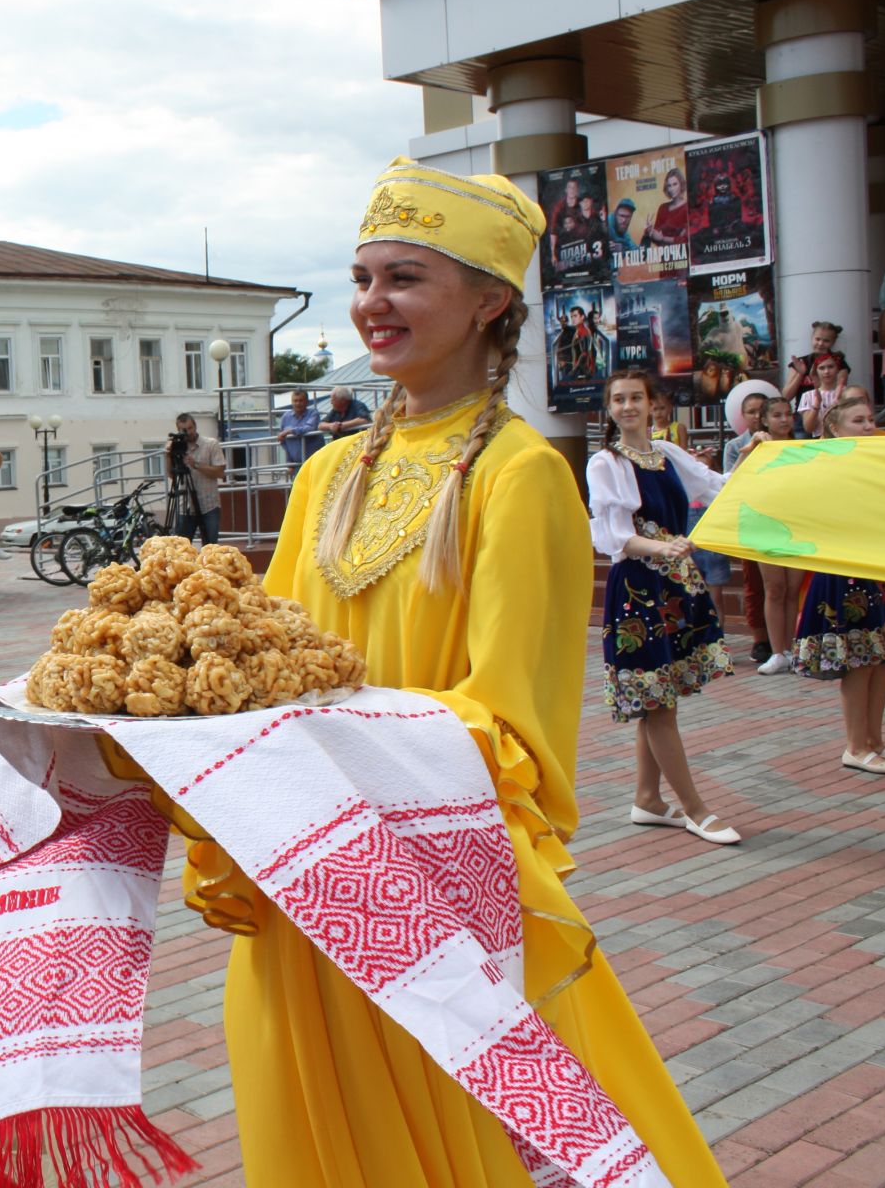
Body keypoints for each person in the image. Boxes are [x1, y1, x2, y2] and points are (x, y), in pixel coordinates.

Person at [226, 160, 726, 1185]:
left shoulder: (520, 473)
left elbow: (510, 719)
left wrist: (323, 754)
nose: (372, 302)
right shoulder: (327, 469)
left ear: (491, 300)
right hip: (303, 867)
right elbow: (254, 656)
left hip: (425, 888)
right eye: (362, 277)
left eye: (404, 278)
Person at [590, 368, 739, 844]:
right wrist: (661, 549)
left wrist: (765, 466)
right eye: (619, 400)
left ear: (653, 404)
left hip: (674, 584)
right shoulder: (605, 463)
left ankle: (648, 800)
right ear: (609, 409)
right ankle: (695, 808)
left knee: (661, 698)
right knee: (658, 702)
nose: (628, 406)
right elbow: (611, 535)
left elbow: (717, 484)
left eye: (636, 397)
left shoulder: (668, 454)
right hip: (637, 588)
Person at [790, 397, 885, 774]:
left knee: (882, 657)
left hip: (880, 567)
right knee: (859, 658)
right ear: (835, 427)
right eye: (858, 420)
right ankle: (856, 744)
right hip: (844, 567)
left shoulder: (882, 460)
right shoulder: (825, 463)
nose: (868, 426)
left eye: (869, 419)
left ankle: (876, 740)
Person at [750, 397, 806, 675]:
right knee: (774, 588)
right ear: (765, 419)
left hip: (797, 523)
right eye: (777, 415)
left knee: (793, 589)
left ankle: (792, 650)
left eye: (788, 414)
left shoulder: (803, 447)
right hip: (766, 525)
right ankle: (776, 652)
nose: (784, 420)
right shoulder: (757, 448)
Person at [723, 390, 774, 662]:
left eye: (760, 411)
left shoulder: (780, 442)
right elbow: (729, 483)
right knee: (754, 583)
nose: (756, 416)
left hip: (777, 519)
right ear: (742, 416)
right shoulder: (735, 446)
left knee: (780, 586)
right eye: (751, 412)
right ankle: (759, 639)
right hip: (750, 519)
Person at [165, 411, 227, 544]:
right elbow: (172, 475)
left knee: (210, 548)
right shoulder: (178, 448)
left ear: (195, 426)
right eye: (184, 430)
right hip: (185, 506)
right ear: (178, 430)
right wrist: (168, 455)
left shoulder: (211, 444)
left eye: (190, 428)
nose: (188, 432)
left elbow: (220, 473)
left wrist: (196, 465)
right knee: (181, 548)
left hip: (208, 505)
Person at [783, 321, 851, 401]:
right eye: (817, 339)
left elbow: (840, 392)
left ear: (833, 342)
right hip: (803, 411)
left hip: (830, 410)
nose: (820, 343)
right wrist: (800, 374)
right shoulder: (800, 362)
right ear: (812, 338)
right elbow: (786, 397)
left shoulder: (839, 362)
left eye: (826, 341)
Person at [797, 352, 846, 436]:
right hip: (820, 439)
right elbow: (809, 428)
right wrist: (816, 406)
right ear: (816, 371)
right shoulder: (808, 396)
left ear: (837, 369)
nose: (826, 371)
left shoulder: (848, 392)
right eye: (822, 368)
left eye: (830, 367)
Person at [274, 389, 321, 467]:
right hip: (296, 464)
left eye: (301, 400)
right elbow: (283, 441)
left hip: (314, 462)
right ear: (292, 402)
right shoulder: (286, 417)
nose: (298, 403)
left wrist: (290, 431)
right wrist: (289, 462)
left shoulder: (313, 414)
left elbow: (310, 428)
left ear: (307, 402)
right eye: (295, 401)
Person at [645, 167, 690, 246]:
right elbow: (656, 239)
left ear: (681, 184)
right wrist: (650, 231)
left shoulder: (687, 208)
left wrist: (663, 238)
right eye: (669, 186)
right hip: (664, 255)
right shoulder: (663, 208)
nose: (672, 189)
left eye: (675, 184)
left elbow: (686, 240)